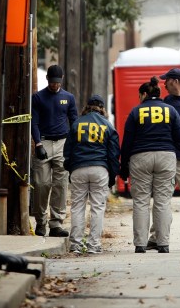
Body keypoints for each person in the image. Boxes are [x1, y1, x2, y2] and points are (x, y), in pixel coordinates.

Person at [119, 77, 180, 254]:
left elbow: (127, 142)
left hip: (140, 157)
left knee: (141, 201)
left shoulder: (135, 112)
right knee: (163, 201)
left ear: (143, 94)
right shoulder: (170, 110)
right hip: (165, 156)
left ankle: (140, 244)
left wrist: (123, 167)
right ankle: (163, 244)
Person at [147, 68, 180, 251]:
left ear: (175, 81)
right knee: (161, 199)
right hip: (167, 157)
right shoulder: (167, 101)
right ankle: (155, 237)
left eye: (166, 80)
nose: (164, 84)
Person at [63, 94, 120, 255]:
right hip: (100, 169)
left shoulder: (77, 124)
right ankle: (94, 245)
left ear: (86, 107)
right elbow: (114, 154)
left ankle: (75, 244)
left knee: (77, 207)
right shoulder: (108, 126)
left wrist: (70, 168)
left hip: (78, 169)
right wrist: (112, 175)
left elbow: (67, 151)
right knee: (97, 207)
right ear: (102, 108)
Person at [30, 64, 78, 237]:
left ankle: (56, 223)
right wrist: (37, 144)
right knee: (41, 184)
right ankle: (40, 221)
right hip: (44, 142)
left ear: (62, 80)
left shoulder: (69, 98)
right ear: (47, 80)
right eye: (52, 82)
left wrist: (74, 144)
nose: (54, 85)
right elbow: (33, 122)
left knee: (60, 184)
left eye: (57, 82)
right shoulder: (38, 98)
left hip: (62, 143)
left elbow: (74, 121)